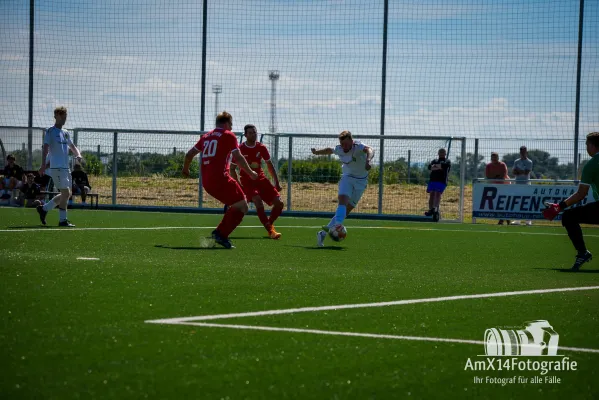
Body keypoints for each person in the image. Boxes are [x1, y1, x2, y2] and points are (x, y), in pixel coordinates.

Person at [182, 111, 258, 249]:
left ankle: (220, 232)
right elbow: (239, 157)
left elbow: (189, 154)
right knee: (243, 205)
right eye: (231, 124)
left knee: (237, 204)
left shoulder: (206, 136)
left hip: (206, 182)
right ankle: (221, 234)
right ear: (227, 123)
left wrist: (185, 169)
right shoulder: (228, 135)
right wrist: (251, 172)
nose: (231, 127)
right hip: (221, 178)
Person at [543, 132, 599, 271]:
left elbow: (581, 194)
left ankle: (582, 253)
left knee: (569, 216)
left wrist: (559, 206)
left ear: (592, 146)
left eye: (586, 145)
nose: (586, 148)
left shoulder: (592, 165)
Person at [311, 130, 374, 247]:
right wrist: (316, 152)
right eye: (342, 144)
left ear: (351, 141)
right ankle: (338, 224)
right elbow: (330, 150)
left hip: (361, 181)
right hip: (347, 178)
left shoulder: (358, 146)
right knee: (343, 201)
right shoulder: (339, 148)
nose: (344, 146)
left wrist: (368, 160)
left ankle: (323, 233)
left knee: (348, 209)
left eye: (346, 144)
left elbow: (370, 150)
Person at [230, 124, 284, 239]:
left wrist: (277, 182)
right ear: (245, 135)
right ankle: (270, 231)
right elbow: (232, 169)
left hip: (262, 180)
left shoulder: (261, 148)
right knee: (258, 201)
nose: (253, 134)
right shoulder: (240, 149)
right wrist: (238, 185)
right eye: (250, 133)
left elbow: (269, 165)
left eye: (254, 132)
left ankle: (269, 224)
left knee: (279, 204)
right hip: (247, 182)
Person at [37, 106, 83, 227]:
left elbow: (72, 146)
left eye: (65, 116)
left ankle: (44, 209)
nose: (64, 118)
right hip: (56, 168)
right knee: (65, 193)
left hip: (65, 168)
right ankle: (63, 220)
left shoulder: (66, 133)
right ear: (56, 116)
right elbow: (45, 148)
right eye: (62, 116)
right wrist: (43, 165)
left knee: (67, 194)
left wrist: (78, 155)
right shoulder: (50, 131)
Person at [425, 148, 451, 222]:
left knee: (437, 194)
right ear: (438, 153)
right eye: (440, 152)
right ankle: (431, 209)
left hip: (441, 181)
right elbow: (430, 167)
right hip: (433, 180)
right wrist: (439, 167)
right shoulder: (434, 160)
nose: (442, 153)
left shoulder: (447, 161)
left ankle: (435, 209)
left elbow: (445, 166)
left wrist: (435, 167)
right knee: (432, 194)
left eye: (443, 152)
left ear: (445, 154)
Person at [485, 152, 511, 225]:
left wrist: (495, 177)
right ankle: (504, 218)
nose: (494, 159)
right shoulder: (488, 166)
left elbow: (503, 175)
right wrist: (496, 177)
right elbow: (488, 176)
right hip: (494, 187)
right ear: (491, 158)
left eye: (495, 157)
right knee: (497, 204)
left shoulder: (502, 165)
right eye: (493, 157)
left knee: (504, 203)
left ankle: (503, 219)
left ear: (498, 158)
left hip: (504, 187)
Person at [511, 146, 533, 226]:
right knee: (517, 202)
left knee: (527, 202)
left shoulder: (529, 162)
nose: (522, 153)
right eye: (521, 152)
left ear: (526, 152)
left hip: (526, 184)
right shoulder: (516, 161)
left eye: (524, 151)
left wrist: (519, 171)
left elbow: (526, 172)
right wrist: (520, 171)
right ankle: (517, 220)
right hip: (517, 184)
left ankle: (528, 220)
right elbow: (514, 172)